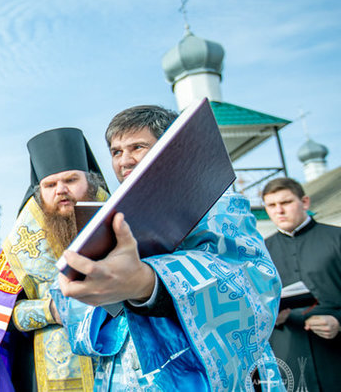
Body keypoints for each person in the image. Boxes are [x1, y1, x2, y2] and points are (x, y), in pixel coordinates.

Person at [52, 105, 283, 390]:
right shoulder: (105, 218)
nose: (125, 160)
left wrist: (148, 283)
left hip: (199, 375)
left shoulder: (218, 204)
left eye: (137, 146)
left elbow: (254, 282)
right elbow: (70, 300)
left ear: (169, 148)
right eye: (116, 152)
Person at [0, 128, 109, 391]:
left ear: (90, 181)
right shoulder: (20, 241)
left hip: (118, 365)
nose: (61, 190)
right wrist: (51, 310)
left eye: (71, 180)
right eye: (50, 185)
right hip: (55, 375)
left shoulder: (119, 218)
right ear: (39, 191)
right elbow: (2, 316)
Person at [262, 177, 341, 391]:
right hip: (288, 358)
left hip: (335, 354)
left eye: (286, 203)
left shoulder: (337, 238)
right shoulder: (259, 253)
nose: (279, 211)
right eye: (271, 205)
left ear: (304, 202)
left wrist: (339, 321)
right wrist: (269, 318)